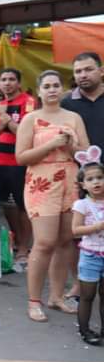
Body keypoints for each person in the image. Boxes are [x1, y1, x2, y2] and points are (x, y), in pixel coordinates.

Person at [16, 70, 89, 322]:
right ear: (39, 91)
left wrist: (69, 144)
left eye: (56, 85)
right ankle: (33, 300)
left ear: (62, 89)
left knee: (65, 241)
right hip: (41, 181)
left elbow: (85, 153)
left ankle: (57, 296)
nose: (52, 90)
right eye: (46, 86)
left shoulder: (73, 117)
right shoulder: (31, 119)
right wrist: (51, 143)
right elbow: (21, 156)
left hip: (70, 180)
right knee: (45, 241)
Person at [0, 69, 36, 264]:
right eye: (4, 80)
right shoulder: (0, 105)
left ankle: (24, 247)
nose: (7, 83)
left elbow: (28, 134)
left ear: (18, 83)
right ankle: (5, 242)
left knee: (23, 206)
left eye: (11, 80)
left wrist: (7, 121)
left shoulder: (29, 101)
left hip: (19, 163)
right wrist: (3, 123)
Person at [71, 147, 104, 345]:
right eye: (90, 179)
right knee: (87, 295)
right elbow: (75, 230)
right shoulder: (82, 205)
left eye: (99, 177)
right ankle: (85, 330)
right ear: (83, 184)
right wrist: (97, 227)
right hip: (90, 256)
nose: (96, 182)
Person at [62, 52, 104, 148]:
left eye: (88, 70)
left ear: (101, 71)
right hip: (80, 161)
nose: (83, 75)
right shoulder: (66, 104)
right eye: (78, 71)